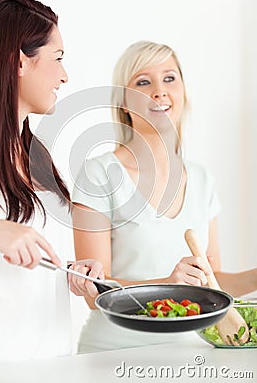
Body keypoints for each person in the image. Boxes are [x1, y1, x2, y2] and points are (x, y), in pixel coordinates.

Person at [71, 40, 257, 353]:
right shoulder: (99, 174)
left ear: (183, 91)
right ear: (124, 102)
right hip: (114, 354)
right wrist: (167, 285)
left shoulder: (201, 179)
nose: (160, 91)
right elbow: (94, 294)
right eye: (143, 82)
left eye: (169, 78)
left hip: (192, 354)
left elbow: (213, 284)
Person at [0, 0, 103, 366]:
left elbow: (29, 267)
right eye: (58, 58)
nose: (65, 75)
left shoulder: (36, 157)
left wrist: (73, 272)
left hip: (53, 367)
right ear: (18, 62)